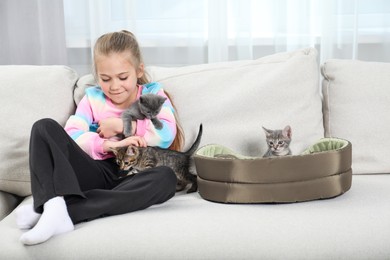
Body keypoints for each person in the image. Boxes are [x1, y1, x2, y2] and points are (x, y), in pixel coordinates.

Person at [15, 30, 184, 246]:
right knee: (43, 127)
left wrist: (122, 125)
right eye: (105, 79)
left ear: (139, 70)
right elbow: (73, 136)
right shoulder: (93, 99)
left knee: (166, 178)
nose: (114, 86)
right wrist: (111, 144)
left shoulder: (153, 95)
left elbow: (165, 134)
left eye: (123, 77)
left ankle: (56, 209)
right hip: (95, 171)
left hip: (131, 177)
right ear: (97, 75)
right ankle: (53, 206)